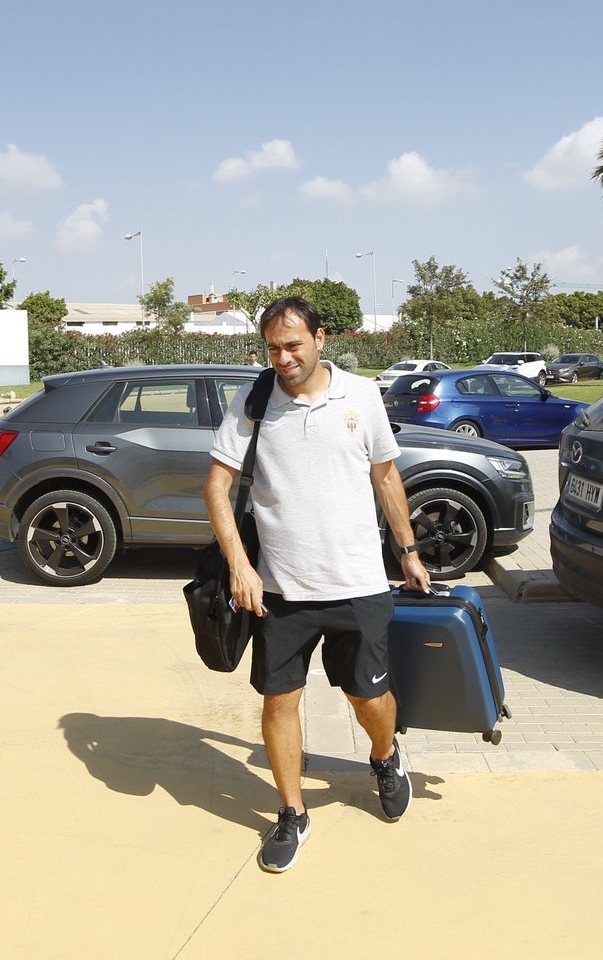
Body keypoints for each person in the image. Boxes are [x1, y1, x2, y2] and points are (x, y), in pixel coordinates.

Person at [204, 295, 430, 874]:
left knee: (368, 698)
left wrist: (407, 551)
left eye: (293, 345)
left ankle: (385, 755)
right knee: (279, 700)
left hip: (357, 581)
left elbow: (385, 475)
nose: (282, 358)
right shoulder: (253, 402)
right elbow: (217, 487)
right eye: (273, 348)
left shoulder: (361, 395)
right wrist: (239, 564)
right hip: (280, 590)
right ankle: (291, 813)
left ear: (320, 339)